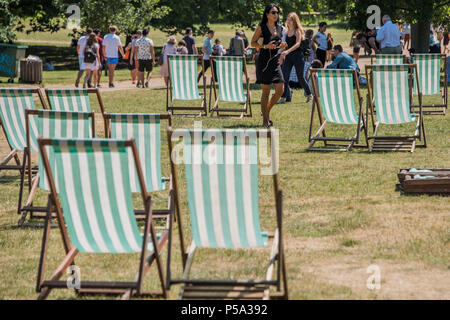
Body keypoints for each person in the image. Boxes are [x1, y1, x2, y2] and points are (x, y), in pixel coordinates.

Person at [251, 4, 285, 128]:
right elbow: (252, 43)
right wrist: (265, 46)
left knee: (280, 90)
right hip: (264, 63)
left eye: (277, 12)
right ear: (267, 14)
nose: (276, 15)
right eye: (273, 12)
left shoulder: (280, 28)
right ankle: (265, 121)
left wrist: (282, 45)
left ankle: (266, 110)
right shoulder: (261, 28)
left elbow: (279, 42)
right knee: (265, 92)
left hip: (275, 62)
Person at [278, 12, 312, 104]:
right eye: (287, 19)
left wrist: (287, 51)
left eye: (290, 19)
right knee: (284, 77)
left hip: (298, 56)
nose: (288, 21)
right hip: (288, 57)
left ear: (294, 21)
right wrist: (282, 48)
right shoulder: (286, 31)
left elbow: (297, 44)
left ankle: (310, 95)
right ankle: (283, 97)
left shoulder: (298, 31)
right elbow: (285, 45)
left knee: (301, 78)